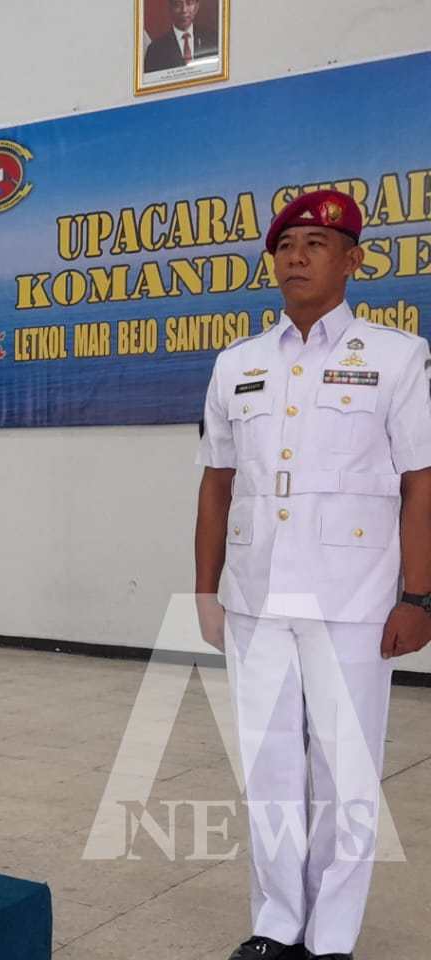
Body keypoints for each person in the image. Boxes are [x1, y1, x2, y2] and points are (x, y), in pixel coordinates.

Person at [195, 190, 431, 960]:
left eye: (316, 244)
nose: (296, 257)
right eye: (285, 245)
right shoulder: (238, 364)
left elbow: (421, 482)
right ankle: (276, 925)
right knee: (267, 767)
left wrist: (419, 595)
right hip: (257, 596)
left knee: (345, 774)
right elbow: (217, 483)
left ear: (352, 260)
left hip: (355, 598)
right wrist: (205, 589)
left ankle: (331, 938)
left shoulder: (397, 358)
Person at [144, 0, 218, 72]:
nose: (184, 10)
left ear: (196, 7)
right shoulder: (155, 50)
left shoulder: (213, 38)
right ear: (170, 8)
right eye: (178, 4)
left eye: (189, 3)